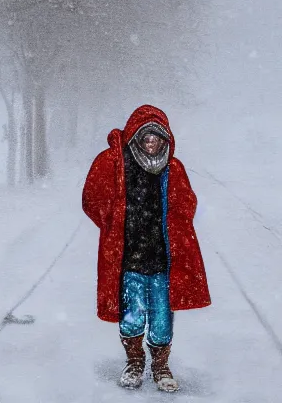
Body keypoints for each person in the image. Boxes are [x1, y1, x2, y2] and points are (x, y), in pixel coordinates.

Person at [82, 104, 211, 392]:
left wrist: (174, 227)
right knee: (132, 313)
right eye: (146, 138)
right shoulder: (116, 164)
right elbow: (92, 198)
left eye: (157, 138)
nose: (151, 143)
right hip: (129, 257)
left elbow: (187, 204)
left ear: (165, 140)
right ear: (137, 139)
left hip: (164, 258)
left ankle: (161, 365)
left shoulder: (173, 168)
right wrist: (114, 223)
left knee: (163, 315)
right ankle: (135, 361)